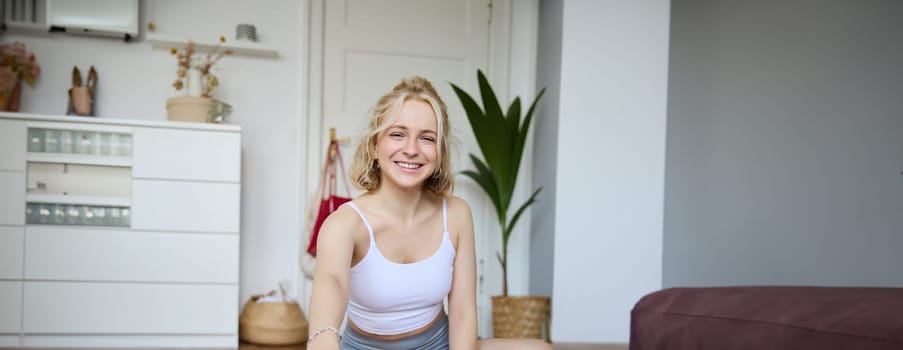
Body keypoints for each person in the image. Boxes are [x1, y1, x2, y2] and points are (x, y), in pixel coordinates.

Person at [307, 76, 553, 350]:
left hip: (440, 344)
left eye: (427, 138)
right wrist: (324, 339)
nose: (411, 150)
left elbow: (462, 311)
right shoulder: (344, 224)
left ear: (439, 152)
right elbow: (327, 306)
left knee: (539, 349)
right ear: (375, 147)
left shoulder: (457, 214)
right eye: (397, 134)